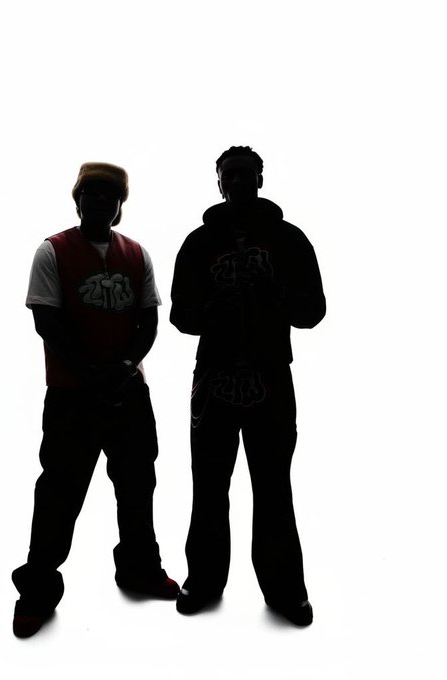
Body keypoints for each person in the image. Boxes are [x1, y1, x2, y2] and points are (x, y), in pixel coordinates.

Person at [12, 162, 178, 638]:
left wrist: (125, 367)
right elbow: (47, 322)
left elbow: (149, 321)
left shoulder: (137, 253)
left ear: (120, 205)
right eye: (92, 192)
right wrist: (91, 373)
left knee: (137, 485)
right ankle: (37, 590)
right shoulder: (52, 251)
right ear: (78, 198)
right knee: (59, 494)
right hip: (71, 397)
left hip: (129, 394)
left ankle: (140, 570)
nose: (101, 201)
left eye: (110, 195)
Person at [170, 146, 326, 625]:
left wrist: (277, 295)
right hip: (213, 379)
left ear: (261, 178)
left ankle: (285, 590)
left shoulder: (290, 239)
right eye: (229, 174)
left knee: (274, 486)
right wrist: (210, 310)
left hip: (271, 377)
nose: (237, 181)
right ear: (218, 183)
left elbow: (314, 310)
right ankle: (203, 580)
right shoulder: (198, 243)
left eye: (245, 173)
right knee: (209, 485)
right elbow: (179, 313)